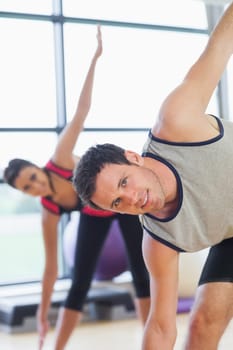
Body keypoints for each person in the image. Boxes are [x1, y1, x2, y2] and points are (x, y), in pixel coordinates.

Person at [73, 4, 233, 350]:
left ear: (133, 157)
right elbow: (160, 328)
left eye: (124, 183)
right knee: (201, 326)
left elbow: (222, 45)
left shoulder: (177, 122)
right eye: (117, 202)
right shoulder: (158, 241)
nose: (131, 200)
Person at [3, 26, 150, 350]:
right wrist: (42, 314)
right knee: (79, 282)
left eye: (32, 177)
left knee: (141, 272)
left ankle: (150, 342)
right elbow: (51, 269)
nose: (35, 186)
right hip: (94, 215)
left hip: (121, 200)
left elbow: (81, 112)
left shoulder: (60, 158)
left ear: (38, 168)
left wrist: (96, 58)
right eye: (28, 188)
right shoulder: (49, 210)